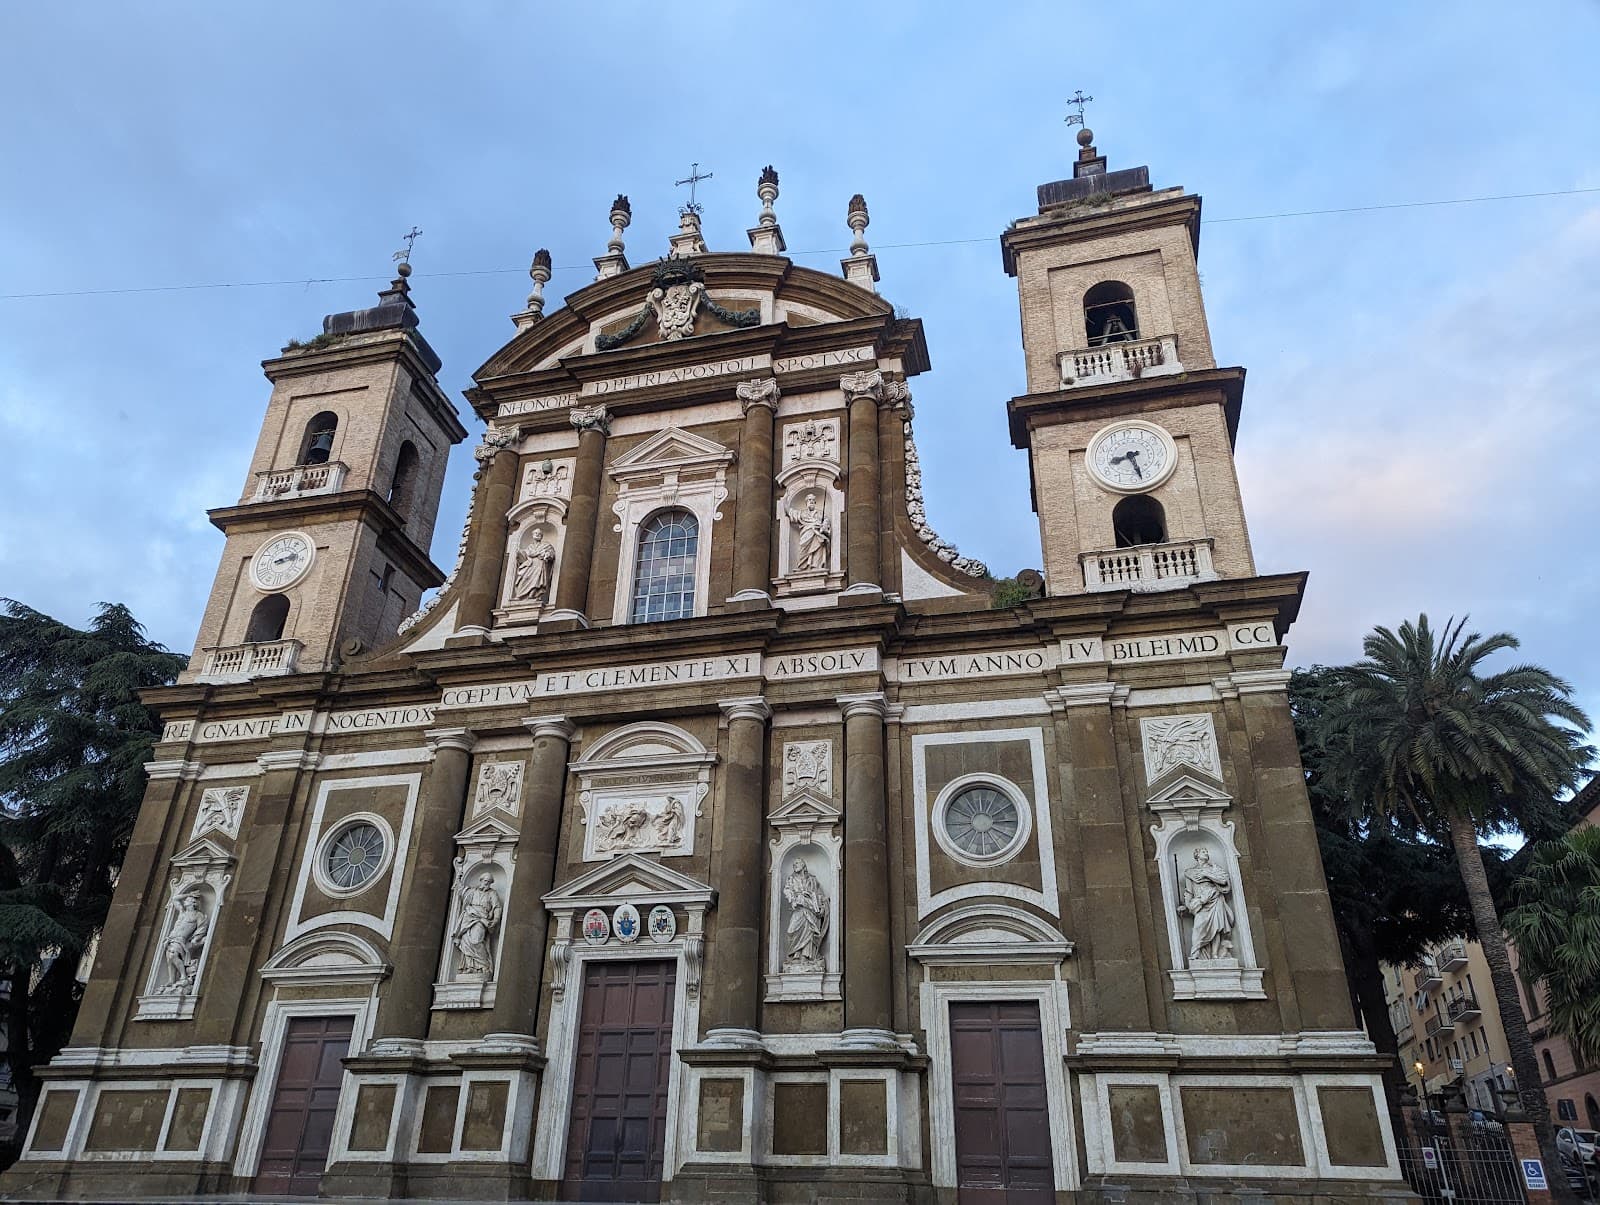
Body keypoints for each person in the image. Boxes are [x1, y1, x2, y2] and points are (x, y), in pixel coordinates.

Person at [1180, 846, 1235, 960]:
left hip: (1215, 899)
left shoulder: (1214, 868)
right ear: (1197, 855)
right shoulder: (1191, 872)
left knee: (1216, 929)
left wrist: (1207, 874)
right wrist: (1187, 905)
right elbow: (1189, 891)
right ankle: (1195, 953)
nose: (1206, 853)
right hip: (1201, 903)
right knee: (1198, 928)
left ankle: (1214, 954)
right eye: (1203, 852)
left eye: (1206, 851)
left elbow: (1224, 881)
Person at [453, 872, 503, 978]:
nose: (487, 884)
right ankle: (470, 967)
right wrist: (458, 877)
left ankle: (484, 964)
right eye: (486, 881)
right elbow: (460, 890)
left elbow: (497, 907)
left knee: (476, 941)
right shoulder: (471, 891)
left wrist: (495, 920)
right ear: (481, 881)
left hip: (481, 919)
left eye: (489, 882)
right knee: (466, 942)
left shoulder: (492, 894)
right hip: (468, 917)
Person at [783, 858, 830, 971]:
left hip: (810, 909)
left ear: (803, 865)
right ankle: (795, 954)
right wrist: (792, 899)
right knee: (792, 930)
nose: (795, 865)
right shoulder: (791, 879)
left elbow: (819, 894)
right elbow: (787, 890)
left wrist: (822, 903)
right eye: (793, 864)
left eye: (797, 863)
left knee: (810, 931)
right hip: (799, 908)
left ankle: (805, 956)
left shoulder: (812, 879)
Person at [159, 893, 210, 994]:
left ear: (193, 903)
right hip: (172, 938)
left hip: (182, 939)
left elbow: (202, 928)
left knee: (173, 954)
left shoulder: (198, 915)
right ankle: (172, 980)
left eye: (187, 900)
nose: (185, 901)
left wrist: (196, 939)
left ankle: (183, 976)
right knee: (169, 958)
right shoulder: (182, 912)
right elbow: (175, 898)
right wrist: (189, 894)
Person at [512, 526, 556, 603]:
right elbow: (524, 556)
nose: (537, 534)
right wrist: (519, 553)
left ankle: (532, 595)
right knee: (524, 578)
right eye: (535, 533)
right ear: (532, 535)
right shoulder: (530, 546)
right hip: (529, 565)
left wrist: (547, 555)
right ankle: (520, 595)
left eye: (539, 533)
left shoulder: (546, 545)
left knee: (537, 581)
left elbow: (551, 553)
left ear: (541, 536)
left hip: (539, 564)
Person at [789, 493, 830, 573]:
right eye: (809, 500)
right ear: (806, 503)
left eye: (813, 500)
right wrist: (786, 498)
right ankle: (802, 566)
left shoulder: (820, 513)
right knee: (803, 550)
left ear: (815, 503)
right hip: (806, 534)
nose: (811, 501)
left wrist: (823, 526)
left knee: (818, 547)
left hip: (817, 534)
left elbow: (826, 521)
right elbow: (790, 513)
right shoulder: (801, 513)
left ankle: (816, 566)